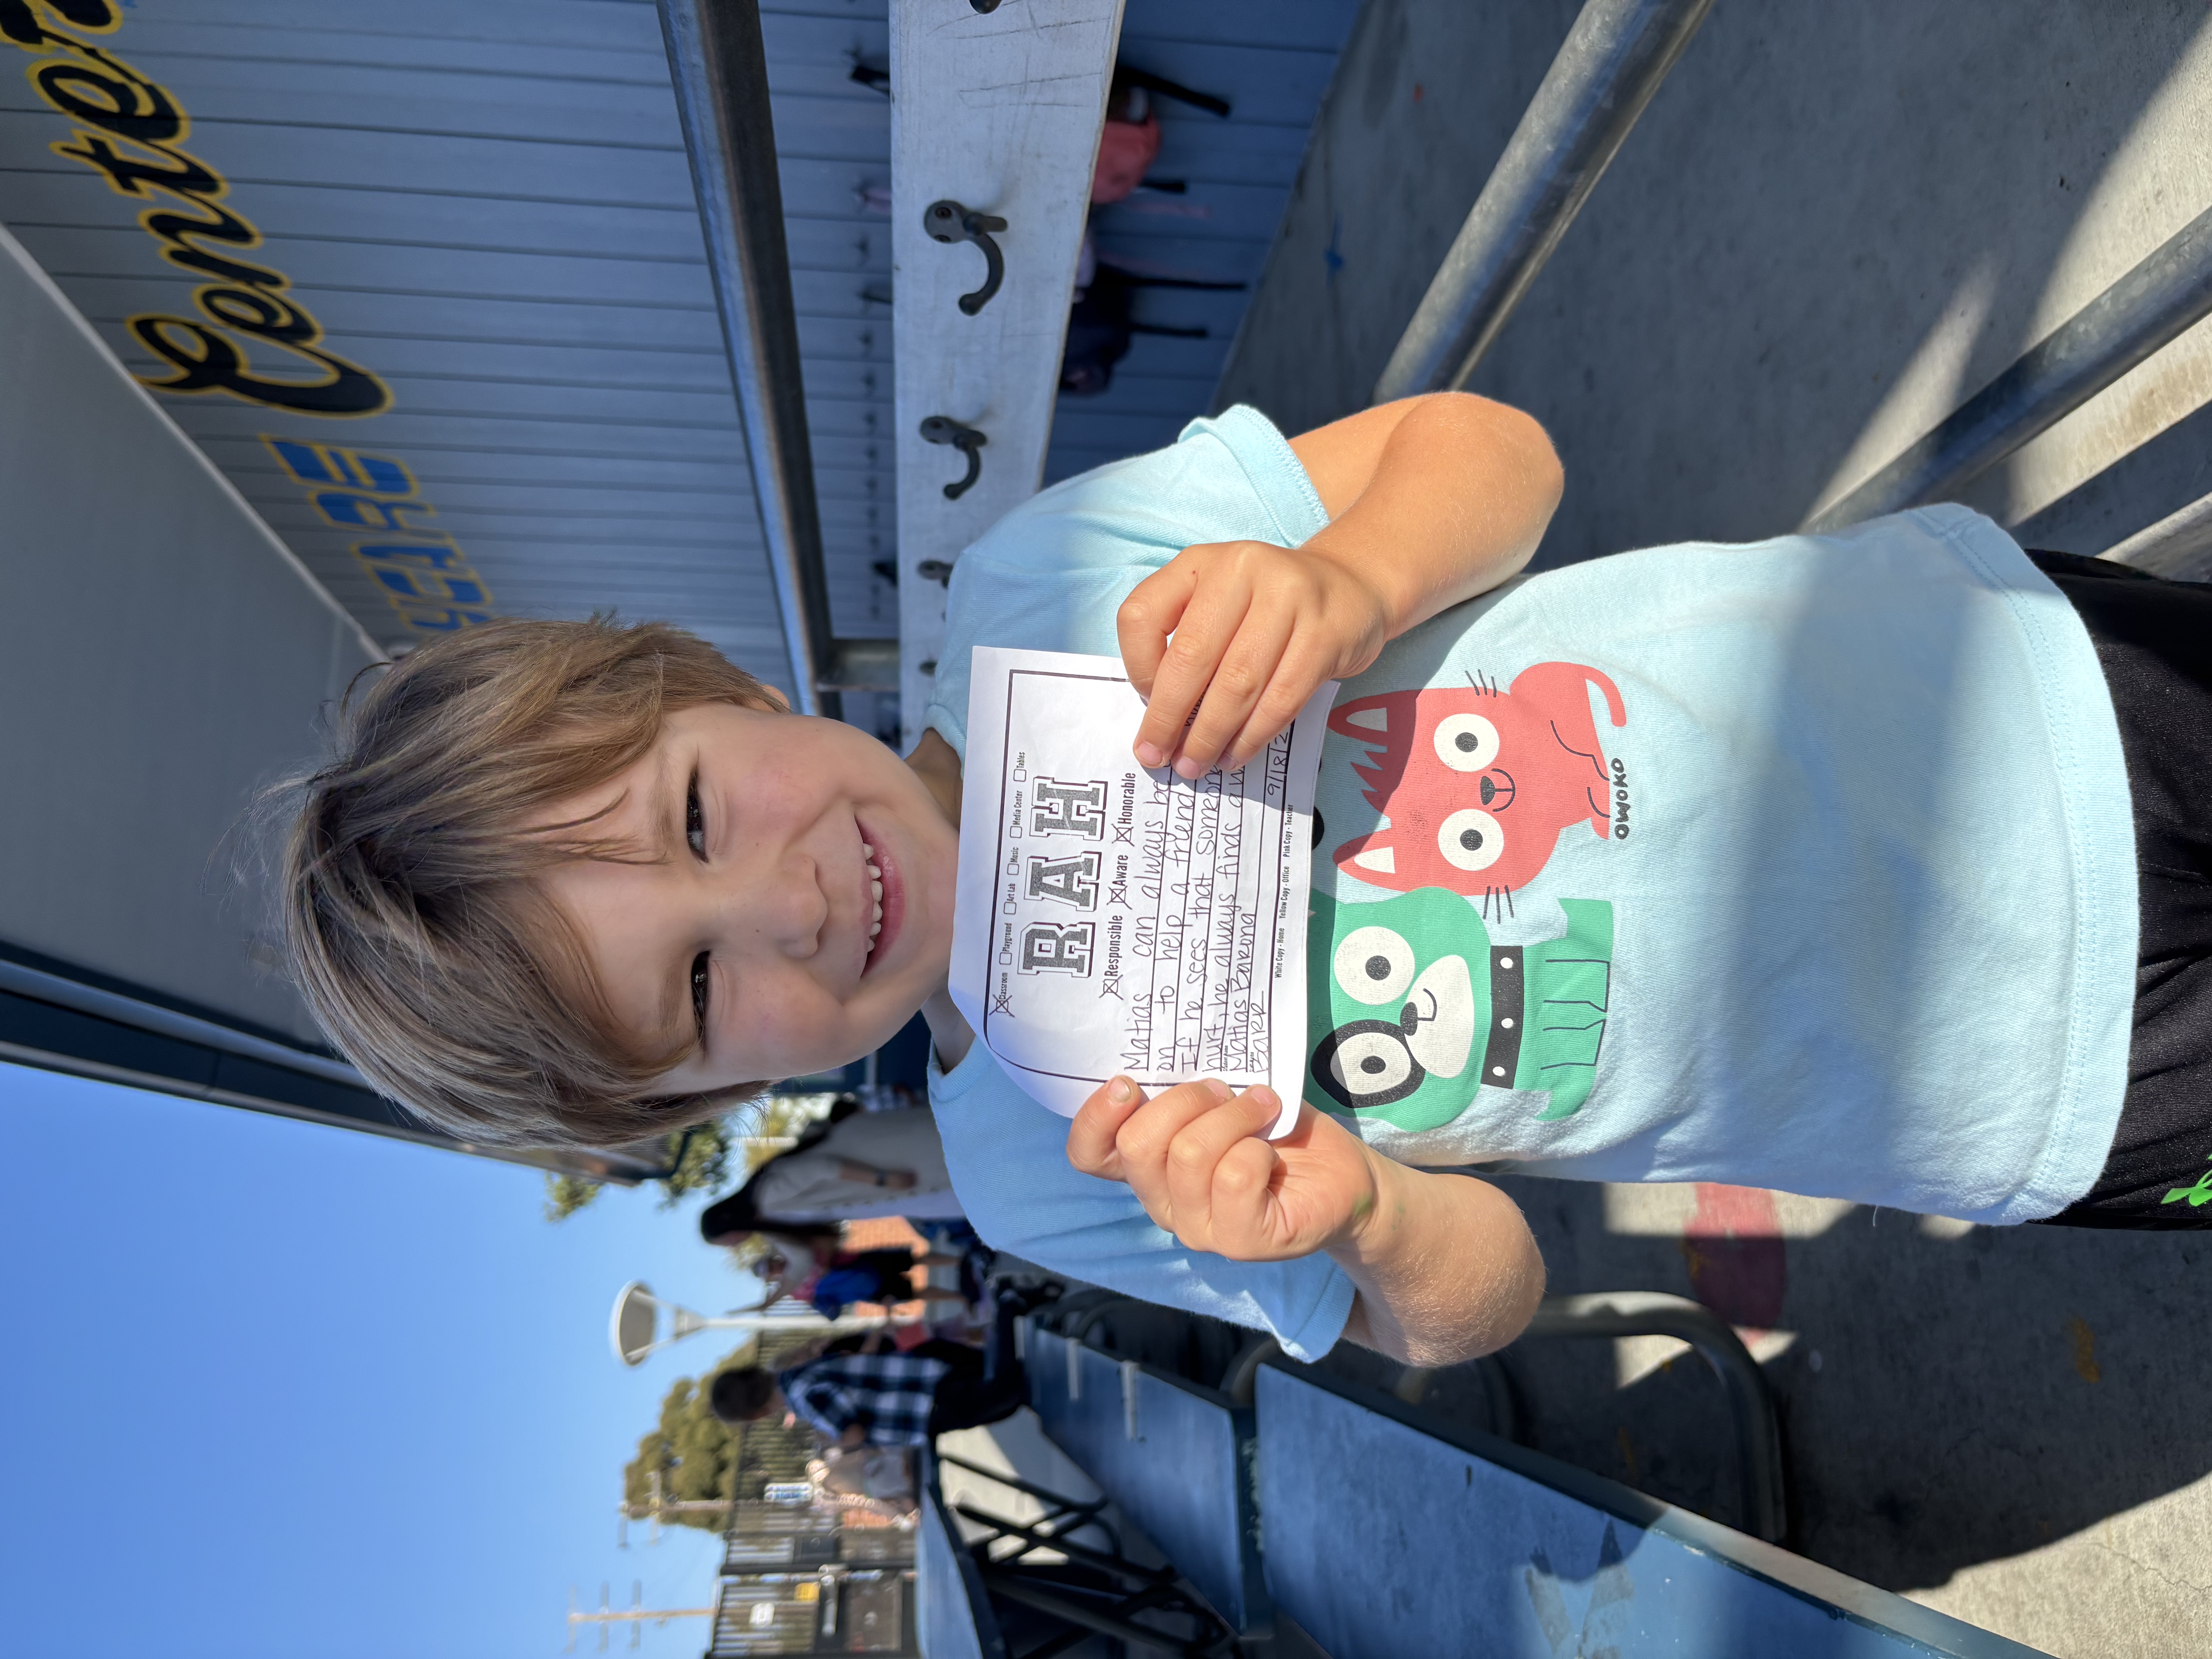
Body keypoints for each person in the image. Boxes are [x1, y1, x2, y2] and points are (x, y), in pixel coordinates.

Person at [280, 392, 2211, 1373]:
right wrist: (1362, 1213)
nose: (776, 906)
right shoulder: (1047, 1170)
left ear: (715, 683)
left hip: (2014, 686)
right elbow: (1474, 1307)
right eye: (699, 988)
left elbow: (1492, 452)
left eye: (698, 812)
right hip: (2034, 1082)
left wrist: (1344, 577)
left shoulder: (1044, 584)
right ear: (717, 1094)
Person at [709, 1294, 1027, 1448]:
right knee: (1003, 1400)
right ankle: (1012, 1319)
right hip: (922, 1375)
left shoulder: (804, 1399)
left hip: (917, 1408)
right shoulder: (800, 1374)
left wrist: (837, 1445)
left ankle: (1008, 1307)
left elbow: (854, 1432)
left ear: (757, 1415)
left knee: (1004, 1394)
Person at [698, 1099, 964, 1229]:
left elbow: (821, 1168)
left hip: (890, 1161)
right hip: (879, 1148)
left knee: (960, 1153)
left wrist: (883, 1179)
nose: (734, 1246)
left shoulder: (767, 1198)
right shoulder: (766, 1207)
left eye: (727, 1242)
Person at [737, 1225, 970, 1320]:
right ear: (771, 1277)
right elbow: (823, 1304)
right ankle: (961, 1298)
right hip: (864, 1289)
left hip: (861, 1261)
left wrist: (827, 1264)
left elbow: (828, 1241)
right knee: (915, 1293)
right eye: (770, 1271)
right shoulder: (795, 1291)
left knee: (913, 1259)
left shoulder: (796, 1251)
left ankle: (959, 1261)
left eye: (770, 1264)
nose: (774, 1268)